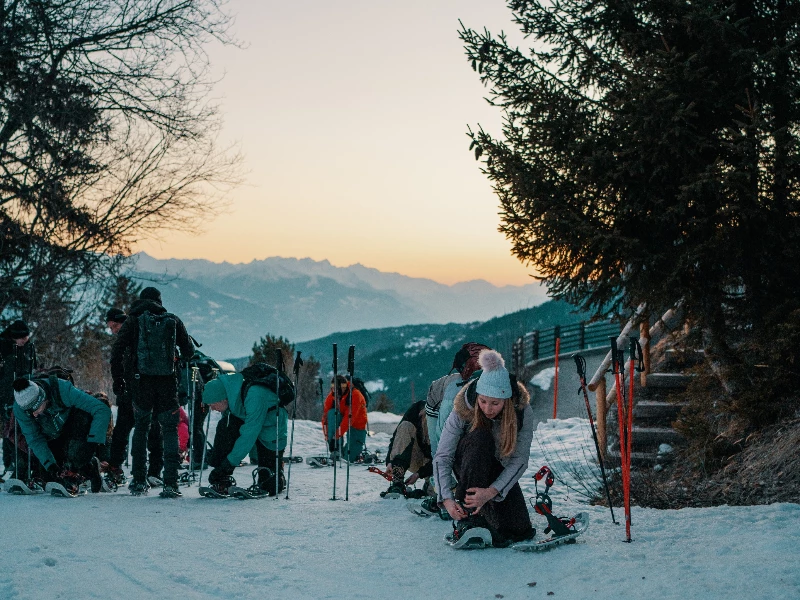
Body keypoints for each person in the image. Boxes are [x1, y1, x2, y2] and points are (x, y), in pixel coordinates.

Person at [433, 349, 534, 547]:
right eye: (483, 401)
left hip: (497, 468)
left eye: (495, 403)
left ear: (506, 400)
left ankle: (486, 514)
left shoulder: (522, 412)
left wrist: (491, 492)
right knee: (481, 437)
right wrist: (446, 498)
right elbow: (443, 456)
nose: (488, 408)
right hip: (468, 462)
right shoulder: (463, 408)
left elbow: (519, 460)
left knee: (518, 530)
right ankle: (469, 518)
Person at [110, 287, 193, 497]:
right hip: (167, 383)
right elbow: (189, 351)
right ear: (159, 301)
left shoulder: (133, 321)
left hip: (140, 383)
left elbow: (117, 350)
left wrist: (119, 379)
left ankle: (139, 480)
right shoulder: (172, 320)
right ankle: (171, 483)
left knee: (141, 428)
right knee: (169, 429)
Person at [12, 376, 111, 494]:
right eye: (29, 412)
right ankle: (85, 469)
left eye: (35, 409)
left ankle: (87, 466)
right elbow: (34, 439)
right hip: (52, 434)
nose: (34, 415)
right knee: (49, 474)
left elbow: (101, 409)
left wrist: (92, 443)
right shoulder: (20, 408)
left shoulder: (62, 389)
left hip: (75, 424)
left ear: (42, 398)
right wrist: (51, 466)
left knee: (77, 457)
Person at [202, 372, 288, 496]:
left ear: (222, 399)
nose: (212, 409)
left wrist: (229, 463)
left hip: (272, 428)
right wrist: (219, 464)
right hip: (252, 423)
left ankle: (278, 473)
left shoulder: (255, 395)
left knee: (270, 486)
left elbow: (248, 435)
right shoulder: (232, 400)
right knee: (226, 425)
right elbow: (226, 435)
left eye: (212, 405)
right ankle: (222, 481)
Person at [105, 307, 164, 486]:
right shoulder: (133, 337)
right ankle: (118, 468)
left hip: (139, 391)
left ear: (122, 321)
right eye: (111, 328)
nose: (113, 331)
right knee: (125, 432)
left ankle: (151, 471)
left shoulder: (136, 337)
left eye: (115, 326)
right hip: (133, 392)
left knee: (149, 431)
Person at [0, 320, 38, 475]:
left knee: (25, 429)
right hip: (6, 394)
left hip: (25, 393)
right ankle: (10, 464)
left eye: (26, 338)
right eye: (21, 338)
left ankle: (27, 463)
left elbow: (33, 368)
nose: (24, 341)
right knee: (9, 430)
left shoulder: (29, 348)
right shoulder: (3, 348)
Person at [383, 400, 432, 498]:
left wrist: (419, 474)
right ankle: (397, 481)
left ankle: (430, 484)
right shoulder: (416, 409)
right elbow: (397, 437)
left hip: (438, 466)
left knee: (436, 493)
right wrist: (390, 461)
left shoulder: (447, 417)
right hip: (417, 457)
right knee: (405, 426)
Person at [322, 375, 367, 462]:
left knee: (349, 457)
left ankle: (345, 453)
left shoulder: (355, 395)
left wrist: (336, 436)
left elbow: (349, 419)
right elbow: (325, 420)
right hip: (341, 419)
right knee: (332, 413)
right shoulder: (331, 397)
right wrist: (328, 438)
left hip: (357, 424)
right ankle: (337, 450)